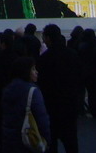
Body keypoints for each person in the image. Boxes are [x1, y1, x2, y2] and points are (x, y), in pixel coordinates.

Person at [36, 23, 83, 153]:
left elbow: (42, 82)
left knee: (51, 141)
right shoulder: (72, 54)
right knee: (71, 141)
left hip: (51, 104)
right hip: (70, 103)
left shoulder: (44, 58)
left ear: (48, 38)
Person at [1, 56, 49, 153]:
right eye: (33, 69)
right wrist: (47, 139)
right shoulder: (33, 91)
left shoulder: (7, 90)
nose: (36, 72)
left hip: (9, 139)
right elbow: (41, 118)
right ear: (26, 71)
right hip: (28, 138)